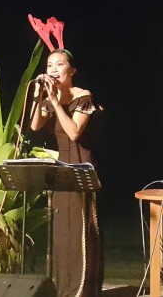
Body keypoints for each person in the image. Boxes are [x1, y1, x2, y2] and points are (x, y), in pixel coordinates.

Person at [30, 49, 103, 297]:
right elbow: (34, 125)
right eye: (50, 64)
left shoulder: (84, 97)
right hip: (62, 166)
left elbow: (73, 132)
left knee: (80, 229)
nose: (53, 69)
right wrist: (40, 97)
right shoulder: (50, 98)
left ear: (71, 71)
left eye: (59, 64)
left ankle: (82, 289)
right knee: (62, 230)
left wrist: (55, 102)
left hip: (81, 164)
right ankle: (62, 288)